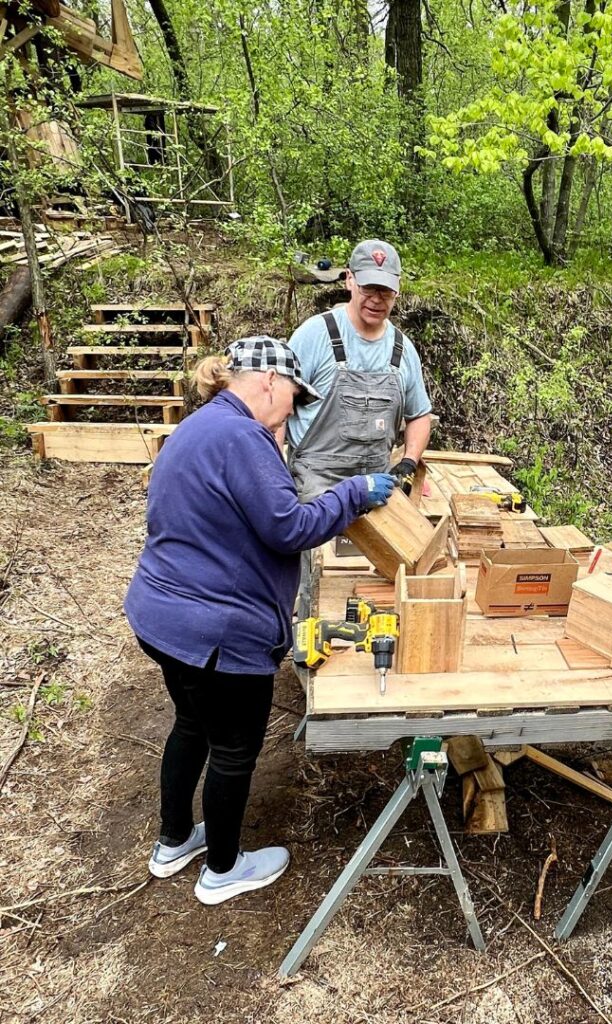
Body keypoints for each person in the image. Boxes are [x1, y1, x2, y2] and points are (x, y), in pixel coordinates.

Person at [124, 337, 397, 905]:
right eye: (296, 398)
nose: (294, 412)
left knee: (192, 725)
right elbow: (289, 528)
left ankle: (173, 840)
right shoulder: (242, 435)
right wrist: (354, 492)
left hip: (161, 614)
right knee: (232, 748)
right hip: (215, 631)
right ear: (270, 382)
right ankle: (222, 869)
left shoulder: (200, 427)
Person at [285, 239, 433, 501]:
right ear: (349, 280)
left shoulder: (403, 349)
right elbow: (276, 409)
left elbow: (419, 415)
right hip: (314, 492)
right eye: (368, 288)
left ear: (397, 291)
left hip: (375, 491)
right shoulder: (313, 335)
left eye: (385, 291)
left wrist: (409, 461)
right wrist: (274, 476)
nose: (376, 300)